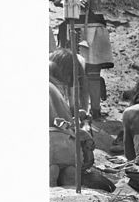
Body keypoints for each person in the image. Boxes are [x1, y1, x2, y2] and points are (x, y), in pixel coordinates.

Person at [49, 49, 114, 191]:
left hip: (52, 150)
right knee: (70, 173)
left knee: (54, 172)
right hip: (64, 147)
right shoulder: (54, 89)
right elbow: (64, 123)